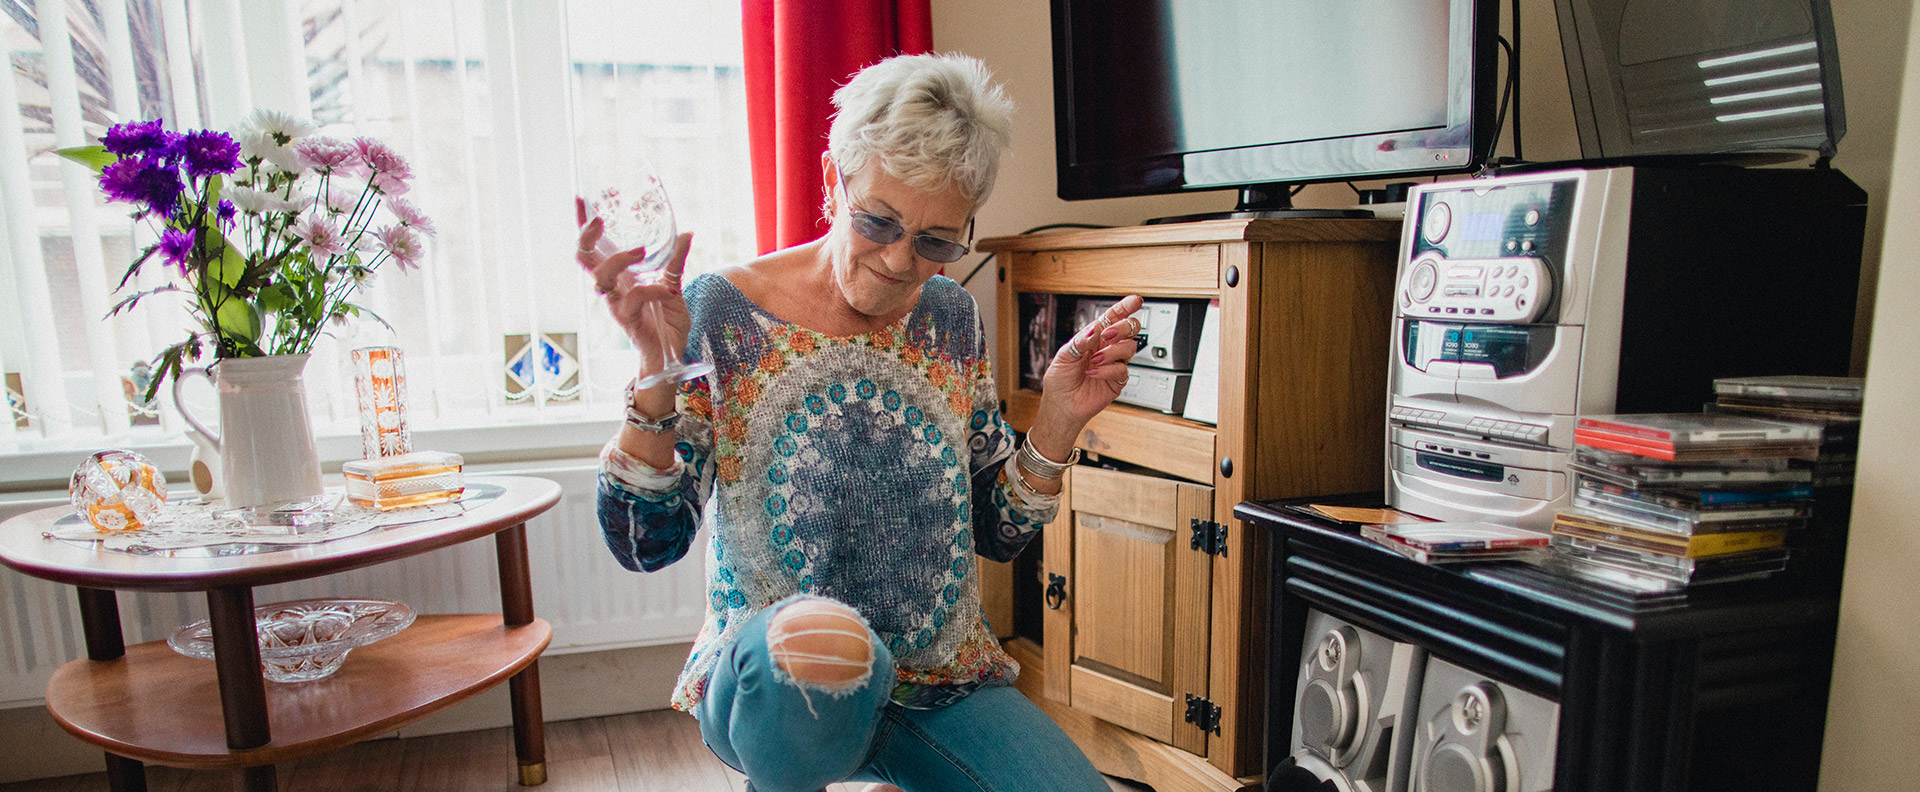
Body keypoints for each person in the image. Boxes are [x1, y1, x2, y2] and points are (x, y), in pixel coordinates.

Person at [580, 52, 1144, 792]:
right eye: (878, 220)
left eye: (936, 242)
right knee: (828, 646)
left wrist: (1061, 421)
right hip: (778, 686)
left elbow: (997, 532)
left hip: (938, 682)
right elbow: (644, 545)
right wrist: (656, 374)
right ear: (830, 183)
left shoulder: (950, 319)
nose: (899, 261)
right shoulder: (723, 313)